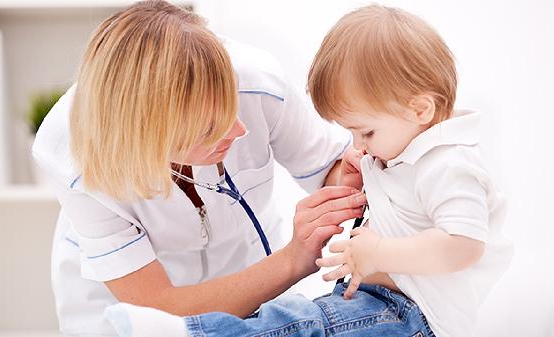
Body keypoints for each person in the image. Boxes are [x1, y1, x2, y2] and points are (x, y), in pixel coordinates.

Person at [104, 5, 514, 337]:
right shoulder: (404, 152)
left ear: (420, 109)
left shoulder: (448, 164)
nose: (357, 146)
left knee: (301, 327)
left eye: (366, 131)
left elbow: (464, 245)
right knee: (292, 319)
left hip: (414, 318)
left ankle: (187, 333)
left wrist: (377, 252)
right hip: (374, 301)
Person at [32, 1, 369, 336]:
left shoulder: (256, 81)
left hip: (247, 268)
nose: (240, 131)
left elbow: (328, 166)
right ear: (147, 133)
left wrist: (347, 176)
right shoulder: (69, 153)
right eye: (210, 129)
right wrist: (291, 261)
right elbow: (158, 307)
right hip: (131, 301)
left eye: (234, 109)